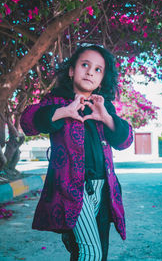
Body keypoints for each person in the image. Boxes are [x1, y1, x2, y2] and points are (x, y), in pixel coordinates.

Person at [20, 45, 133, 261]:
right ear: (71, 71)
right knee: (91, 252)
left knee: (96, 253)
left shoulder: (103, 106)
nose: (91, 72)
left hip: (103, 189)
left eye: (98, 69)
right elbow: (27, 122)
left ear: (102, 79)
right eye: (85, 65)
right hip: (72, 189)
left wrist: (108, 118)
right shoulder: (55, 102)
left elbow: (125, 141)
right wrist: (63, 112)